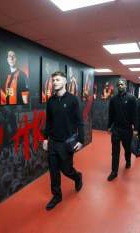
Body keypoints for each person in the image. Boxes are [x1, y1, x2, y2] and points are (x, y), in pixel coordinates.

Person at [43, 71, 84, 210]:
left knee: (66, 170)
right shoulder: (51, 101)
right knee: (53, 171)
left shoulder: (73, 99)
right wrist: (45, 138)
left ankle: (77, 177)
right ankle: (57, 196)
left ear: (65, 81)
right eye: (53, 80)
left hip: (67, 142)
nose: (55, 82)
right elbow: (48, 121)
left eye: (58, 80)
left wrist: (81, 139)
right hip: (53, 142)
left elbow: (80, 122)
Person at [107, 79, 137, 181]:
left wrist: (135, 128)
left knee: (127, 148)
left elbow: (135, 115)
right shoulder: (113, 99)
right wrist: (109, 126)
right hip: (116, 129)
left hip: (127, 129)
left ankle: (128, 161)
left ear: (126, 86)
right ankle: (114, 171)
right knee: (115, 151)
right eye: (118, 84)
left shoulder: (132, 98)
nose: (120, 86)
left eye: (122, 84)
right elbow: (111, 114)